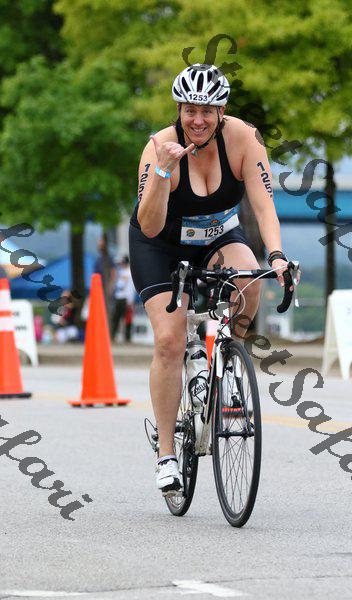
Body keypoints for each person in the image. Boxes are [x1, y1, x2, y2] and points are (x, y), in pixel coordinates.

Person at [129, 63, 297, 496]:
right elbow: (149, 225)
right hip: (161, 243)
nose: (198, 120)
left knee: (250, 282)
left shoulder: (245, 138)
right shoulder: (159, 147)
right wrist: (163, 172)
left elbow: (264, 207)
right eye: (190, 110)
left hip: (218, 234)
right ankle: (167, 454)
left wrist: (277, 255)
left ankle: (228, 364)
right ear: (179, 110)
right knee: (169, 340)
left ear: (222, 111)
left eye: (207, 110)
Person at [110, 256, 136, 342]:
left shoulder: (129, 273)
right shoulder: (120, 272)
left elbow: (131, 287)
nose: (120, 264)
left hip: (125, 298)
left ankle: (127, 337)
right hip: (119, 297)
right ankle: (113, 336)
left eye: (121, 263)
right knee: (116, 317)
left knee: (127, 318)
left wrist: (130, 300)